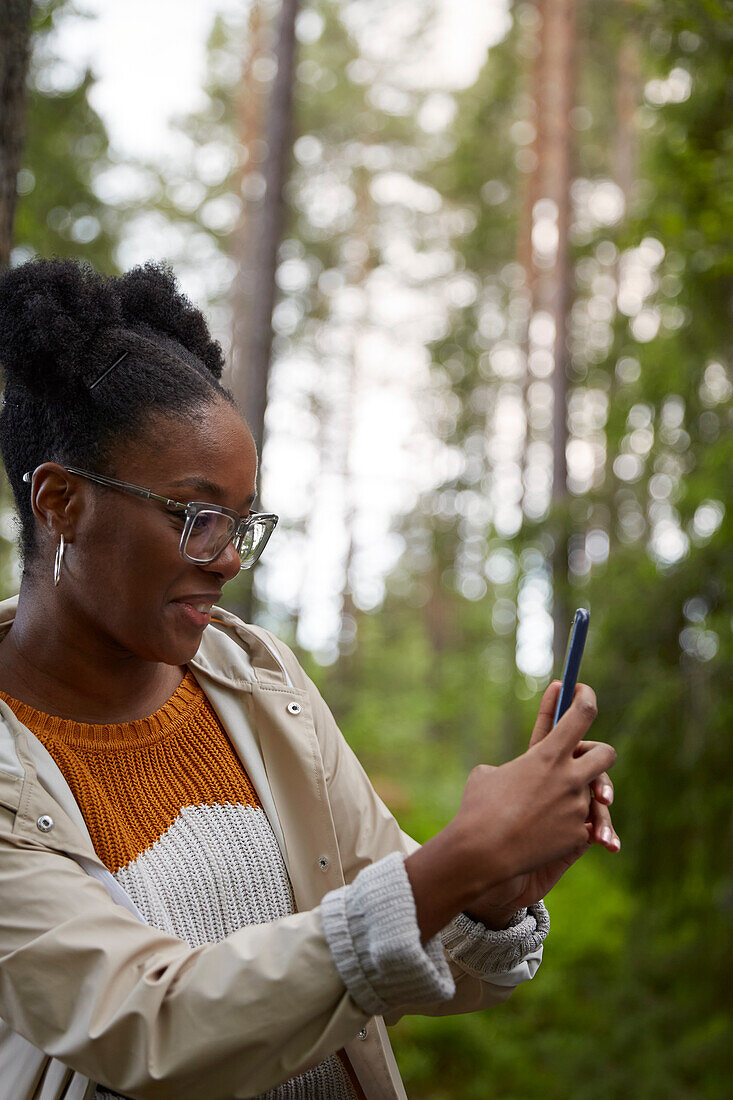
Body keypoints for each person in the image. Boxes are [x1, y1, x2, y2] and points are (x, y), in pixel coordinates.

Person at [0, 258, 619, 1100]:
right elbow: (148, 1026)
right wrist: (457, 859)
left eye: (242, 524)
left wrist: (492, 890)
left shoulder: (256, 681)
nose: (225, 560)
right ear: (60, 503)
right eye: (194, 516)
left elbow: (405, 937)